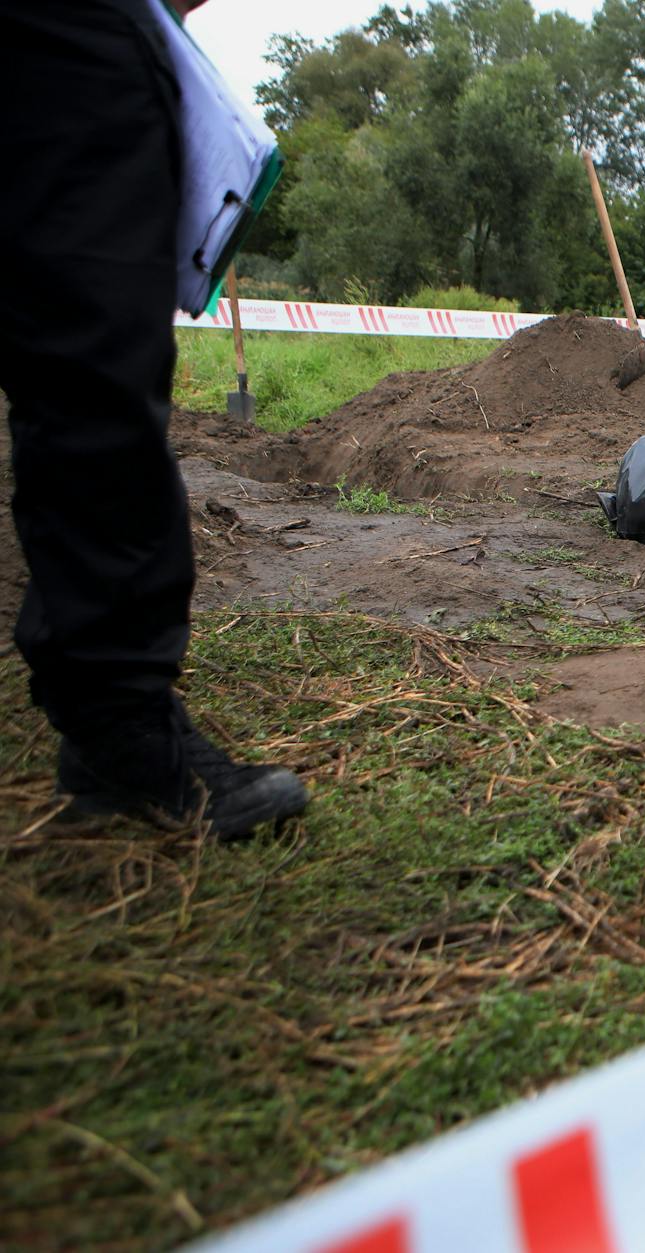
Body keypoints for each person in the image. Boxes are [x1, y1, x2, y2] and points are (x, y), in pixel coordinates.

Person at [0, 0, 308, 838]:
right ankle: (116, 716)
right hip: (70, 48)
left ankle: (115, 723)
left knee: (88, 358)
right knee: (91, 358)